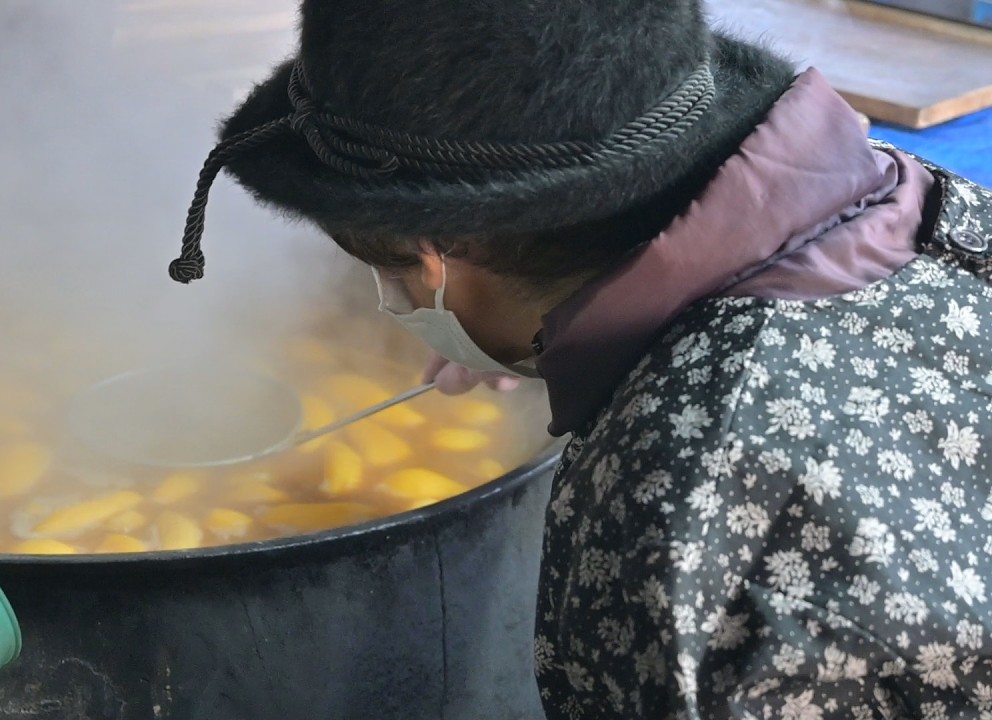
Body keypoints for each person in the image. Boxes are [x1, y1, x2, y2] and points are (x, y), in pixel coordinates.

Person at [168, 0, 992, 716]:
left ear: (438, 252)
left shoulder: (678, 499)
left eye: (388, 275)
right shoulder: (918, 206)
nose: (397, 304)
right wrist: (534, 327)